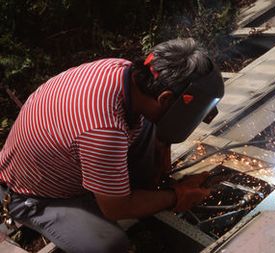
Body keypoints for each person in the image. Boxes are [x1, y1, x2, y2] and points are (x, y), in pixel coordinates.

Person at [0, 38, 224, 253]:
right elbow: (117, 208)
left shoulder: (123, 70)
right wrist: (177, 195)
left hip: (65, 155)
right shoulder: (103, 131)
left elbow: (156, 122)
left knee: (151, 124)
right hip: (33, 193)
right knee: (109, 245)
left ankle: (127, 186)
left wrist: (161, 146)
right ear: (164, 98)